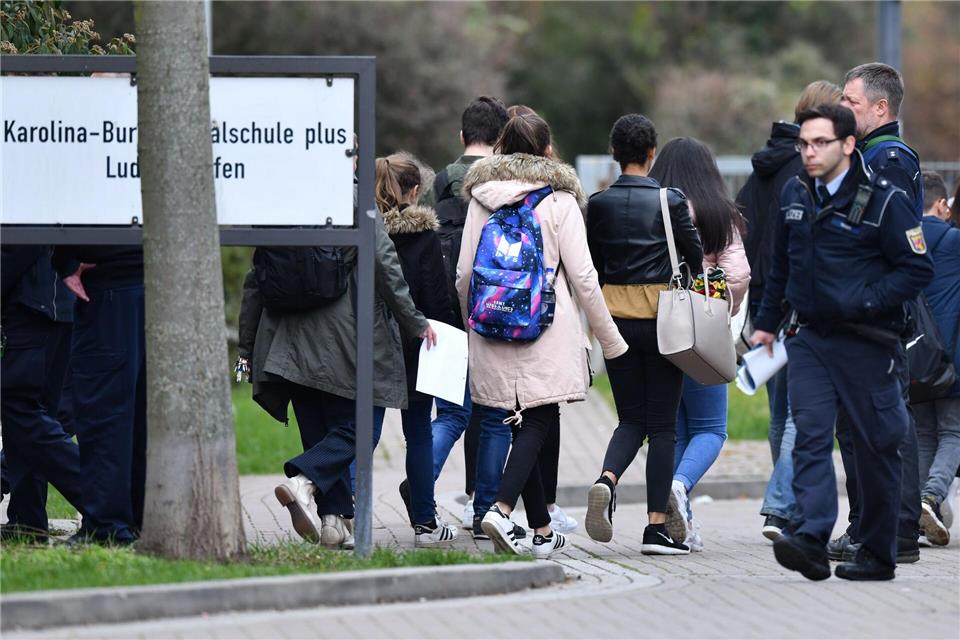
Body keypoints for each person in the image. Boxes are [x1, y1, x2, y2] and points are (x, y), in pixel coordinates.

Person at [751, 103, 933, 581]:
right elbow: (781, 265)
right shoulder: (795, 193)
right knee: (810, 436)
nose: (809, 152)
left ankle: (878, 552)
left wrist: (867, 300)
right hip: (809, 338)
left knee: (876, 446)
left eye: (820, 143)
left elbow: (917, 269)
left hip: (869, 343)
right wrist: (766, 323)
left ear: (848, 145)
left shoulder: (885, 201)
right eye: (803, 144)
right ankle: (811, 539)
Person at [458, 113, 627, 557]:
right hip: (544, 330)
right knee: (539, 417)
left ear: (500, 148)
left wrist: (473, 322)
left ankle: (541, 529)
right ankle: (500, 508)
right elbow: (584, 278)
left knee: (521, 421)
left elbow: (463, 275)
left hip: (492, 326)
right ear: (548, 151)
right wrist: (610, 340)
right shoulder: (560, 201)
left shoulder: (480, 199)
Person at [239, 200, 436, 550]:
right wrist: (413, 320)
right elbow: (385, 262)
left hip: (286, 338)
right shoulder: (353, 198)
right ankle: (303, 481)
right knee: (358, 430)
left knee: (320, 436)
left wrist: (247, 346)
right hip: (344, 337)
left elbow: (257, 275)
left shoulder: (284, 199)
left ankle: (332, 523)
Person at [584, 114, 704, 555]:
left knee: (630, 419)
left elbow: (592, 263)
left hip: (615, 322)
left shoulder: (597, 204)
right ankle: (656, 528)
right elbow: (693, 257)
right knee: (663, 427)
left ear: (614, 154)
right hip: (662, 323)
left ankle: (607, 479)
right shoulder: (670, 201)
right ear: (652, 152)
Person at [736, 80, 842, 541]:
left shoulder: (762, 168)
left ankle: (790, 505)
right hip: (795, 300)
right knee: (805, 412)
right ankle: (782, 507)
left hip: (764, 298)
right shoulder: (806, 172)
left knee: (781, 411)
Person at [831, 62, 924, 564]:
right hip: (856, 313)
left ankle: (897, 530)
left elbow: (895, 245)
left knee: (886, 424)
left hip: (877, 316)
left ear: (880, 107)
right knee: (855, 426)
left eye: (851, 101)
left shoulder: (888, 159)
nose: (842, 108)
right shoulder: (866, 155)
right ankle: (867, 525)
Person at [649, 137, 750, 551]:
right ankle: (679, 484)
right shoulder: (718, 213)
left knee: (674, 431)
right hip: (699, 333)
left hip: (656, 330)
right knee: (711, 428)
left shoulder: (651, 207)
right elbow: (738, 275)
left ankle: (678, 522)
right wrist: (722, 308)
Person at [423, 96, 510, 532]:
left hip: (442, 315)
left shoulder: (438, 183)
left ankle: (421, 480)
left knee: (450, 412)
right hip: (496, 311)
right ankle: (485, 511)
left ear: (461, 136)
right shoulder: (507, 184)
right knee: (495, 415)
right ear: (501, 138)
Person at [378, 152, 460, 546]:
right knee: (419, 434)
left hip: (373, 344)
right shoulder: (424, 236)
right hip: (416, 344)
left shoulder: (363, 230)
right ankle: (425, 522)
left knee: (363, 433)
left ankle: (342, 515)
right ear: (414, 192)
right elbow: (437, 297)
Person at [51, 243, 147, 545]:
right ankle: (136, 520)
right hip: (152, 282)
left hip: (107, 283)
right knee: (140, 417)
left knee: (105, 415)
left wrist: (65, 261)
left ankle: (107, 527)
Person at [0, 246, 85, 542]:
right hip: (52, 303)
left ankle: (104, 505)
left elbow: (20, 243)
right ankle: (27, 522)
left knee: (22, 413)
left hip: (34, 304)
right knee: (32, 417)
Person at [914, 172, 960, 546]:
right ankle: (930, 497)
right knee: (953, 432)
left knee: (924, 434)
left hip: (915, 358)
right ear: (942, 204)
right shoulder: (954, 241)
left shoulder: (904, 241)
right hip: (951, 357)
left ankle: (917, 511)